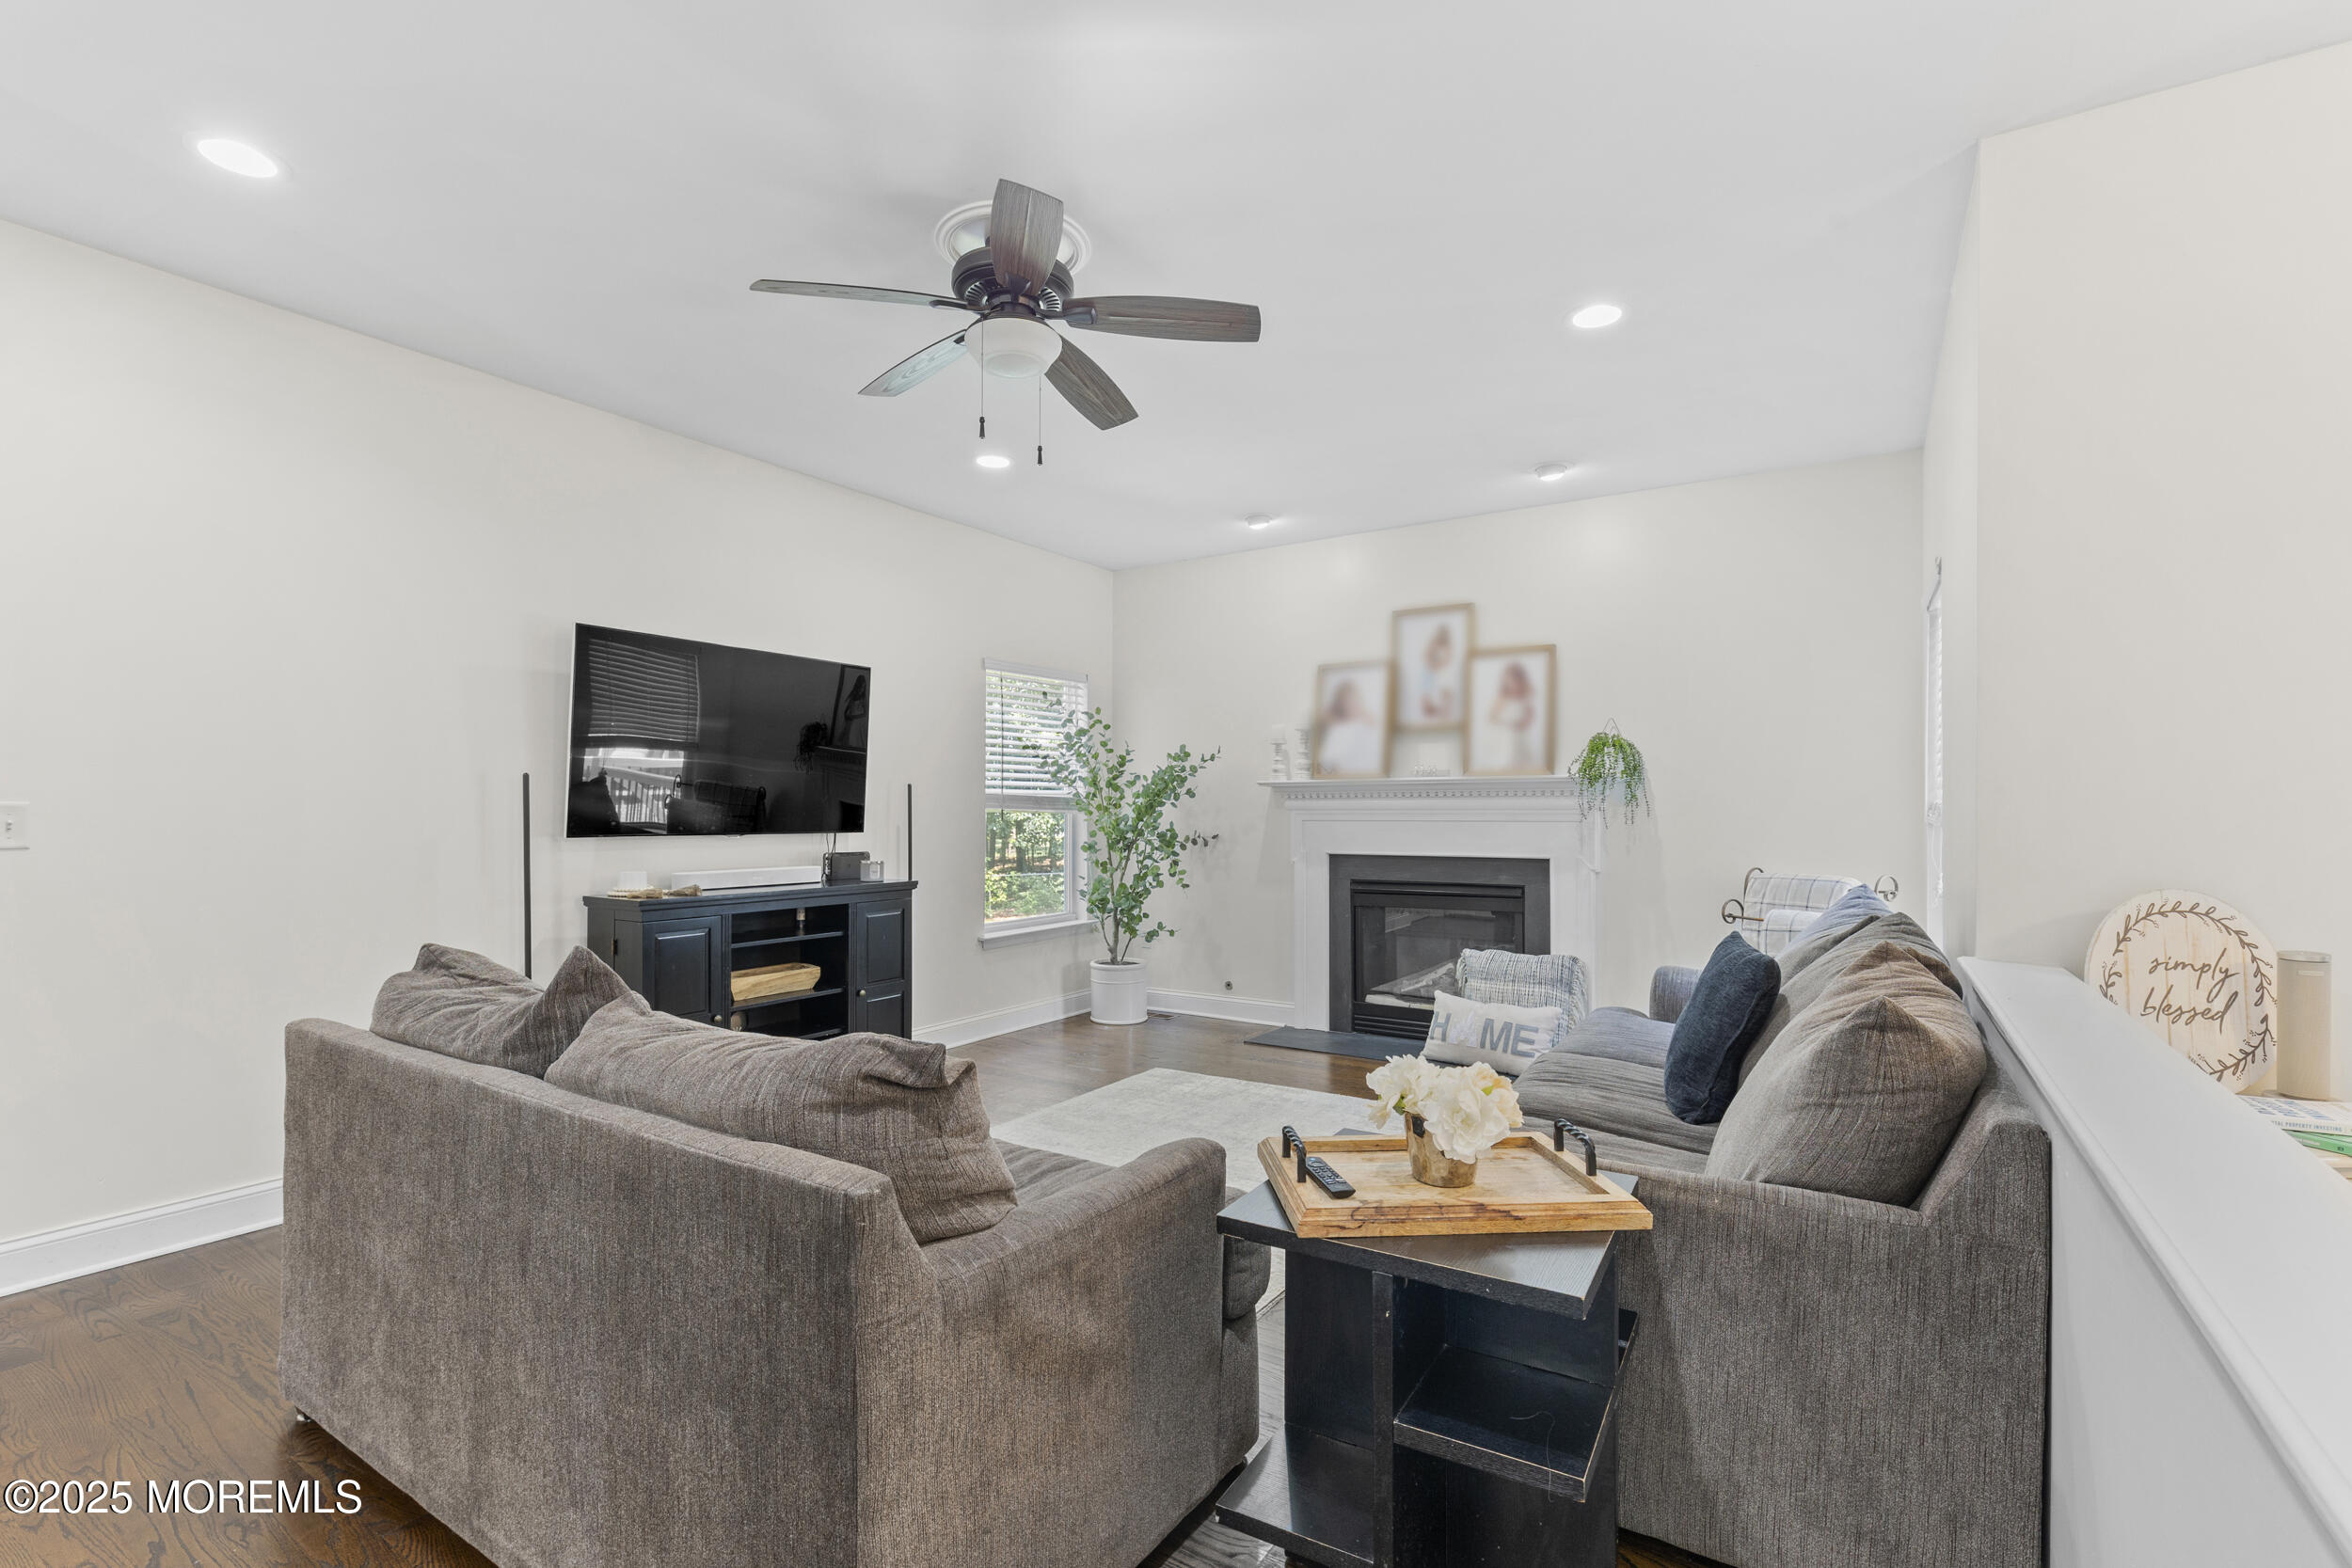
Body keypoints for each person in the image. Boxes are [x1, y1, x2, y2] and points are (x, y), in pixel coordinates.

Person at [1318, 676, 1386, 775]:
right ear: (1340, 704)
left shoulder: (1368, 726)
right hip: (1340, 780)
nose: (1349, 704)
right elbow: (1326, 762)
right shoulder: (1337, 730)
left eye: (1352, 699)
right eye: (1345, 701)